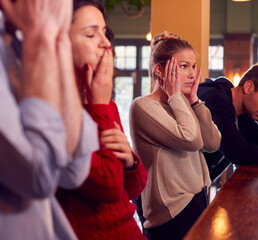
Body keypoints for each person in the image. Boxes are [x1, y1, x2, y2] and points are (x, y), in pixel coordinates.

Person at [0, 0, 98, 239]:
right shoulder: (31, 39)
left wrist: (58, 39)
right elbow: (38, 175)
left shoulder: (18, 39)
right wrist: (42, 37)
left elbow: (74, 169)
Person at [55, 1, 147, 239]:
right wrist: (98, 106)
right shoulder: (55, 110)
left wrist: (130, 162)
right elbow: (107, 185)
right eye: (90, 33)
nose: (106, 43)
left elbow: (135, 188)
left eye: (105, 33)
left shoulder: (105, 105)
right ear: (60, 42)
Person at [129, 31, 221, 240]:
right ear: (159, 70)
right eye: (183, 66)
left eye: (193, 66)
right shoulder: (142, 106)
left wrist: (195, 101)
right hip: (171, 214)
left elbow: (212, 143)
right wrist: (177, 97)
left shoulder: (181, 104)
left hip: (197, 200)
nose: (192, 73)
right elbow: (192, 140)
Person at [197, 63, 258, 177]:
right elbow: (238, 153)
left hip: (196, 188)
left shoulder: (240, 112)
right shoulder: (215, 100)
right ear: (248, 87)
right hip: (179, 190)